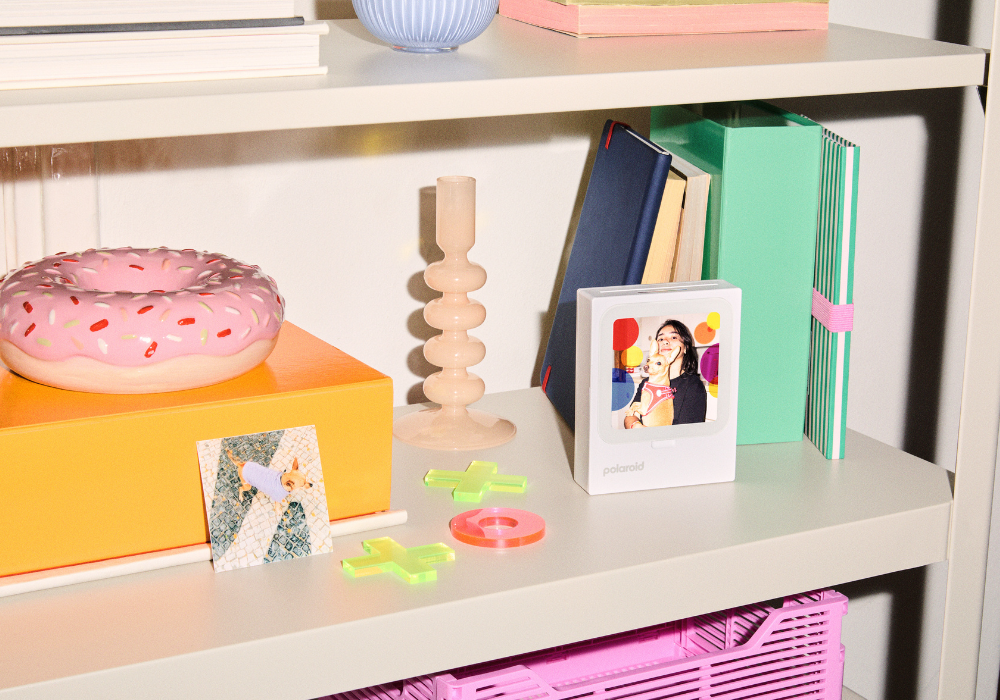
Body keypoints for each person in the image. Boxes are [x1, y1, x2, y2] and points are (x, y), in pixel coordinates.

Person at [624, 319, 707, 427]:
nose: (665, 341)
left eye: (674, 337)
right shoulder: (646, 383)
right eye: (661, 338)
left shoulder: (693, 385)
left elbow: (688, 432)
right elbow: (630, 416)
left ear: (686, 348)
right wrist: (636, 426)